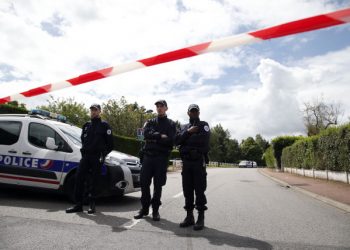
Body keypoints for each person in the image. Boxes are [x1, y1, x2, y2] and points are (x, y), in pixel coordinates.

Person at [66, 104, 114, 214]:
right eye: (92, 110)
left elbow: (110, 144)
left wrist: (103, 155)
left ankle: (92, 205)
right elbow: (83, 140)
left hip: (96, 157)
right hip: (86, 156)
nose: (93, 112)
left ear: (100, 112)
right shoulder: (86, 125)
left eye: (95, 110)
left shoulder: (104, 126)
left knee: (94, 181)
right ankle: (78, 205)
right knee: (79, 178)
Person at [134, 100, 176, 221]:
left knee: (158, 185)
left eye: (161, 106)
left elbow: (171, 141)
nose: (159, 108)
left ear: (166, 108)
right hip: (148, 157)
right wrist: (160, 136)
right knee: (144, 183)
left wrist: (154, 137)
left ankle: (155, 211)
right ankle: (144, 209)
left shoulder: (171, 124)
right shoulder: (150, 121)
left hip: (161, 158)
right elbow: (145, 134)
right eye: (157, 106)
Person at [175, 104, 210, 230]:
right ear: (188, 113)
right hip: (187, 162)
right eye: (192, 111)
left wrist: (186, 143)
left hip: (198, 162)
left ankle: (201, 217)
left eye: (196, 111)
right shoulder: (184, 127)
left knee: (199, 190)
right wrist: (189, 132)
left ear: (199, 112)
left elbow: (204, 142)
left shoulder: (204, 125)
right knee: (187, 190)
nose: (194, 113)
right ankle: (189, 217)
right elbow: (176, 140)